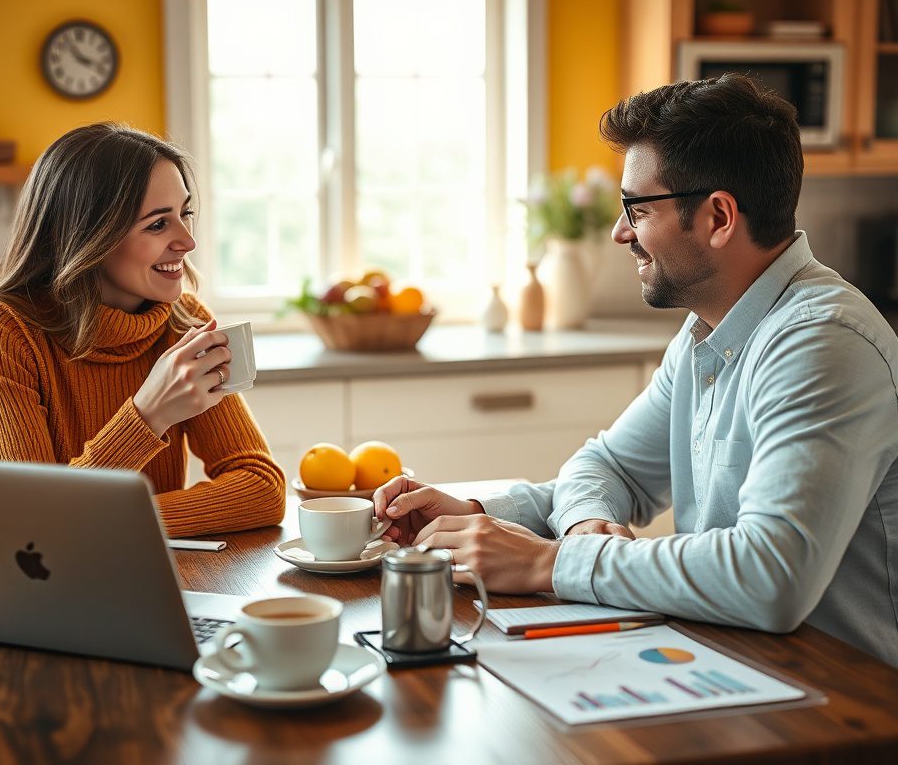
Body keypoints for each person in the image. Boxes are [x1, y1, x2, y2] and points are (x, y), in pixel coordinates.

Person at [373, 74, 898, 667]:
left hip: (849, 703)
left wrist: (547, 561)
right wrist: (488, 520)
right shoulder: (711, 328)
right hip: (742, 668)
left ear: (718, 217)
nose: (622, 232)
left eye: (637, 208)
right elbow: (608, 467)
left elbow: (770, 577)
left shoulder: (821, 344)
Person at [0, 122, 285, 537]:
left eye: (184, 214)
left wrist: (109, 521)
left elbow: (262, 487)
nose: (187, 241)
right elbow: (35, 524)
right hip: (28, 586)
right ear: (87, 237)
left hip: (146, 574)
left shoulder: (182, 318)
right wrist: (149, 414)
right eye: (157, 224)